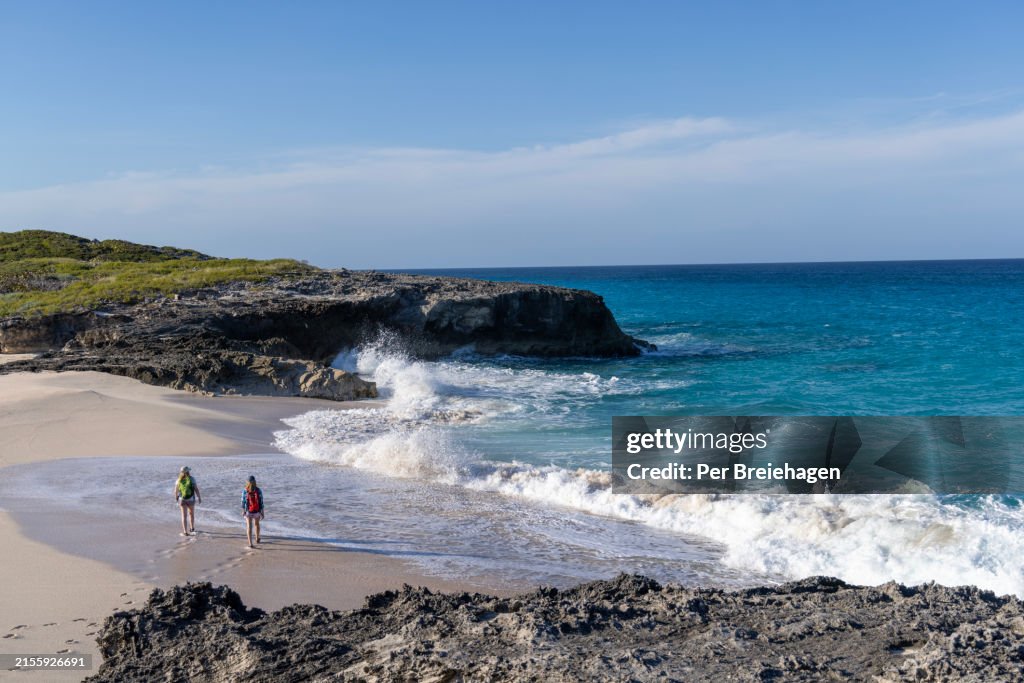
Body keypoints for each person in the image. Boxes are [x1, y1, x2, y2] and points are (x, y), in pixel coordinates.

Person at [174, 466, 201, 536]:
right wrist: (199, 497)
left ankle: (185, 532)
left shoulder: (178, 480)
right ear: (188, 471)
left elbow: (176, 491)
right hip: (191, 499)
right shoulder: (192, 479)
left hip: (182, 499)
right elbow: (196, 489)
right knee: (191, 514)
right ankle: (192, 528)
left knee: (184, 516)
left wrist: (176, 498)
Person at [242, 475, 264, 548]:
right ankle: (257, 538)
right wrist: (262, 512)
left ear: (247, 482)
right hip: (257, 511)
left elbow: (243, 502)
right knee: (256, 524)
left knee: (249, 526)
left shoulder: (245, 490)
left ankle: (250, 543)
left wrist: (243, 511)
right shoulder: (258, 490)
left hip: (248, 511)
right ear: (255, 482)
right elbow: (261, 502)